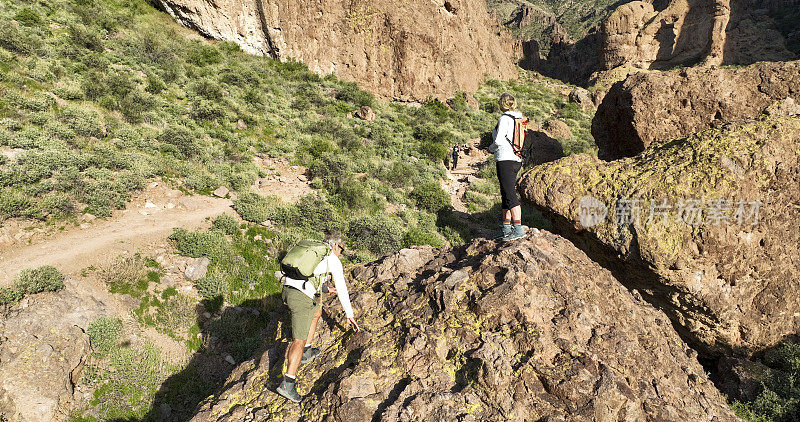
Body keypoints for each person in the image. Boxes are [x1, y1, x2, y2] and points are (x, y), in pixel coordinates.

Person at [277, 234, 360, 403]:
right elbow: (342, 288)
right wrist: (349, 315)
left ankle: (307, 351)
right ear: (336, 246)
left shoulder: (315, 253)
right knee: (297, 341)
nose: (341, 253)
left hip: (287, 289)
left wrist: (325, 289)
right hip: (299, 297)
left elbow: (308, 275)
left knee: (316, 311)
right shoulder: (333, 260)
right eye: (341, 249)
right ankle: (288, 383)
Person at [489, 92, 526, 241]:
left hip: (505, 158)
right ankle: (505, 228)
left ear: (502, 103)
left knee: (509, 194)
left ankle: (517, 229)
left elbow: (498, 141)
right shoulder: (518, 118)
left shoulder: (504, 119)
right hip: (516, 158)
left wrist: (490, 148)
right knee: (505, 193)